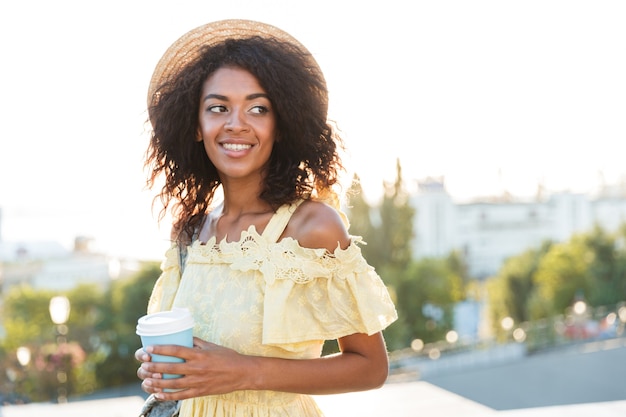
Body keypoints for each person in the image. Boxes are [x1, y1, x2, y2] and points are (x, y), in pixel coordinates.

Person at [135, 19, 398, 416]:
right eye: (218, 107)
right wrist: (163, 371)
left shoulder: (312, 227)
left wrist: (246, 372)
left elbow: (370, 367)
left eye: (258, 108)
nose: (236, 123)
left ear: (281, 124)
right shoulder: (190, 231)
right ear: (196, 125)